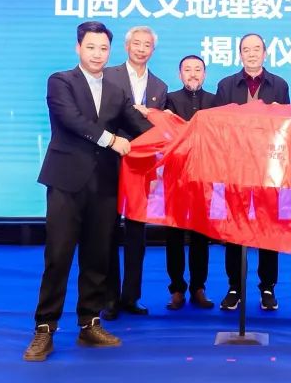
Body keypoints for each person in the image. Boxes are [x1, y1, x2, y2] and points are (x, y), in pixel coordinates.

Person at [23, 21, 150, 361]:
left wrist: (177, 132)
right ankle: (44, 328)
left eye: (103, 48)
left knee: (97, 257)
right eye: (91, 47)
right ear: (78, 48)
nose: (97, 54)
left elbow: (141, 127)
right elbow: (72, 120)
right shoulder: (61, 81)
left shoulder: (116, 90)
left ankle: (89, 323)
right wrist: (112, 139)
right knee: (59, 256)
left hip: (105, 185)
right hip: (66, 182)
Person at [211, 33, 290, 311]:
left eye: (257, 49)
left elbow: (287, 129)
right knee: (234, 230)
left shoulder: (279, 85)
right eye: (247, 49)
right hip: (235, 168)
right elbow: (217, 127)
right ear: (240, 54)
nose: (252, 54)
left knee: (269, 228)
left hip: (269, 168)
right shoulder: (226, 85)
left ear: (265, 53)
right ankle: (235, 286)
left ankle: (267, 287)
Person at [102, 26, 168, 319]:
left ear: (153, 49)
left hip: (142, 166)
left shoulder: (159, 86)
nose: (141, 49)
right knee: (106, 229)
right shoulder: (108, 75)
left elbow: (157, 130)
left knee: (136, 233)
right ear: (127, 47)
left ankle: (131, 296)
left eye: (147, 45)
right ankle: (109, 297)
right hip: (110, 159)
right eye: (137, 43)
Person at [162, 55, 216, 310]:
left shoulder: (215, 101)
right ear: (179, 74)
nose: (193, 74)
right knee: (173, 234)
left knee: (200, 235)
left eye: (198, 69)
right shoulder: (169, 100)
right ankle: (176, 288)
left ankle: (198, 287)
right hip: (175, 177)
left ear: (204, 74)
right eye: (187, 69)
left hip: (204, 177)